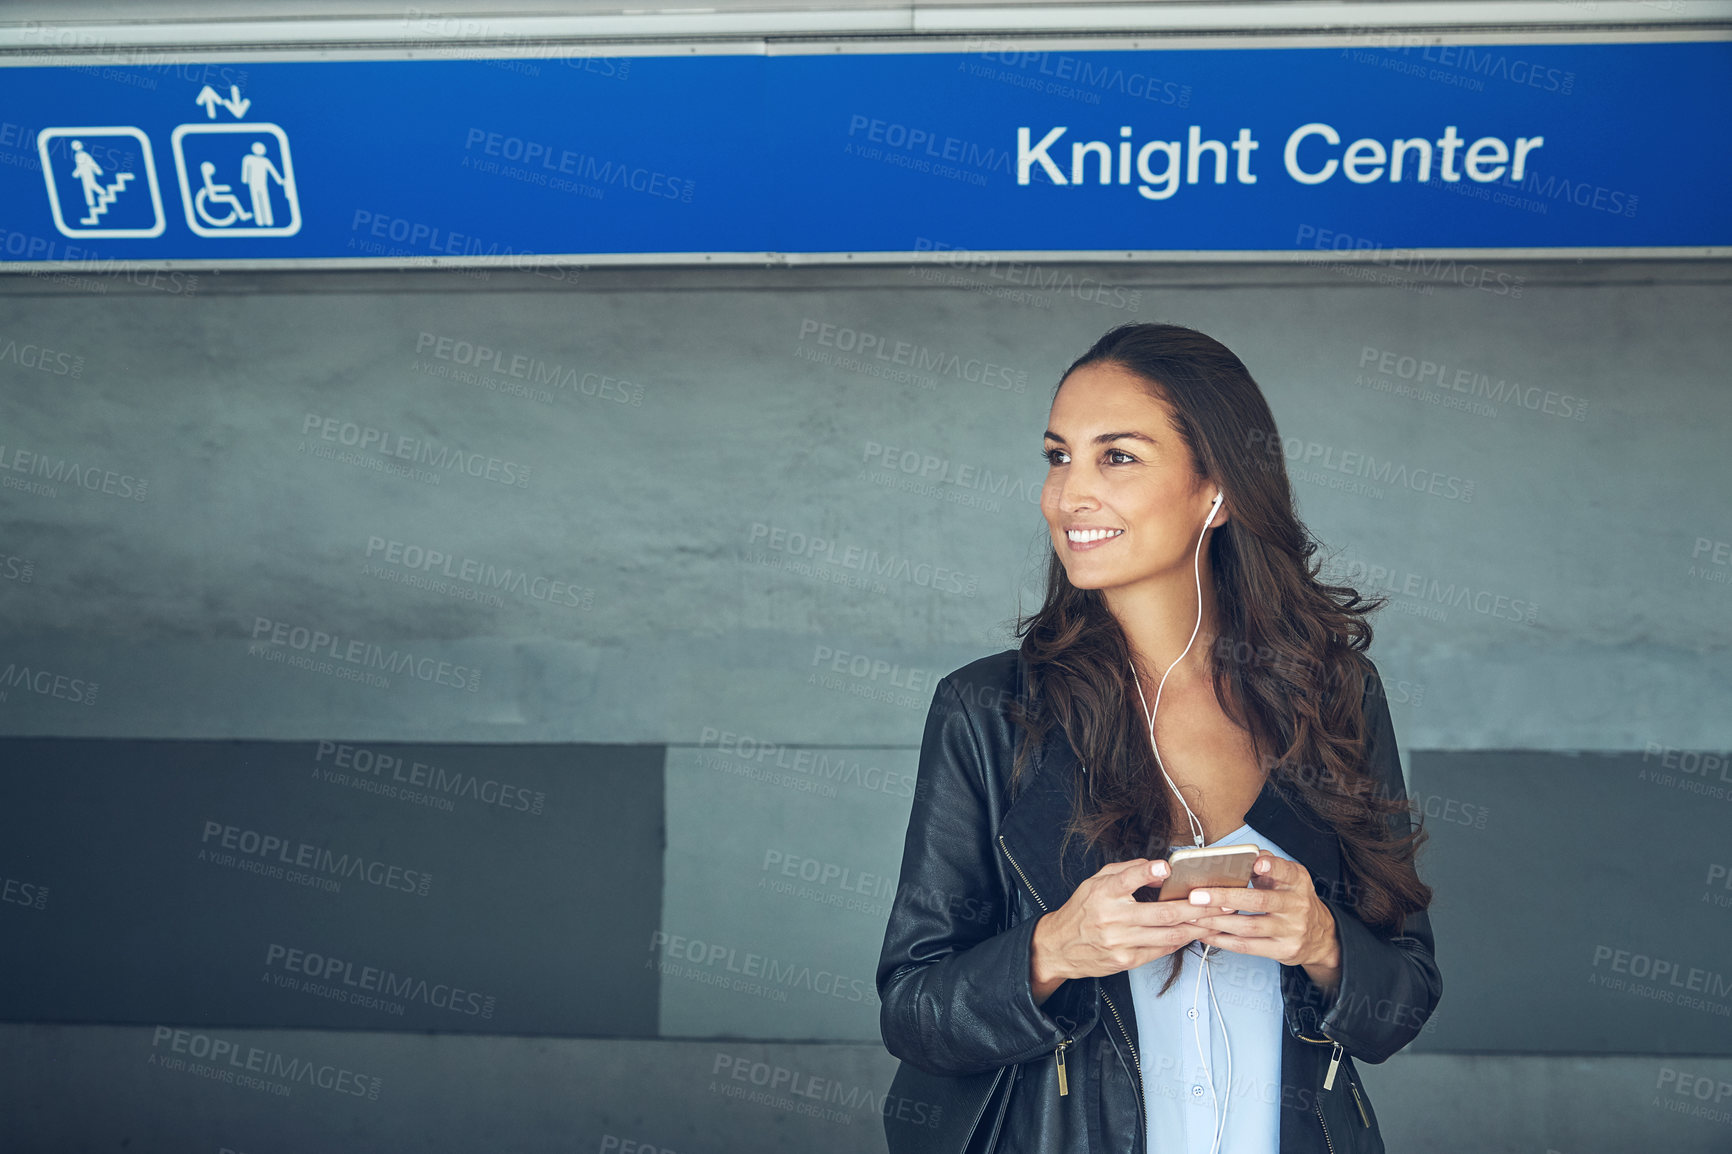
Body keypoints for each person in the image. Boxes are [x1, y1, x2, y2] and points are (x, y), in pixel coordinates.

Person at [877, 322, 1441, 1154]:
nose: (1070, 494)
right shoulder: (989, 710)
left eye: (1117, 456)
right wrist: (1052, 949)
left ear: (1215, 489)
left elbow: (1403, 1001)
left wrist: (1321, 941)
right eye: (1057, 455)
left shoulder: (1334, 699)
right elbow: (914, 1012)